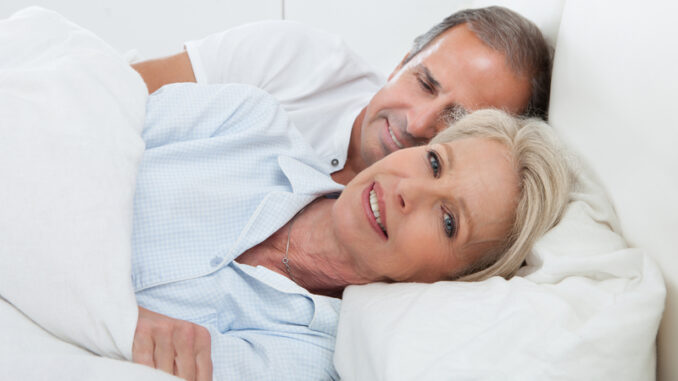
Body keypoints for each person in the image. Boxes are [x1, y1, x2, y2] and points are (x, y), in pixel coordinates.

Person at [130, 83, 571, 380]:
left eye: (448, 221)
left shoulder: (310, 359)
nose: (409, 192)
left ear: (452, 281)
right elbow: (77, 127)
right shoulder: (247, 122)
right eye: (435, 163)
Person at [131, 6, 552, 185]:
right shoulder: (293, 57)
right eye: (424, 83)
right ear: (400, 63)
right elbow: (119, 90)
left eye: (457, 122)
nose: (419, 123)